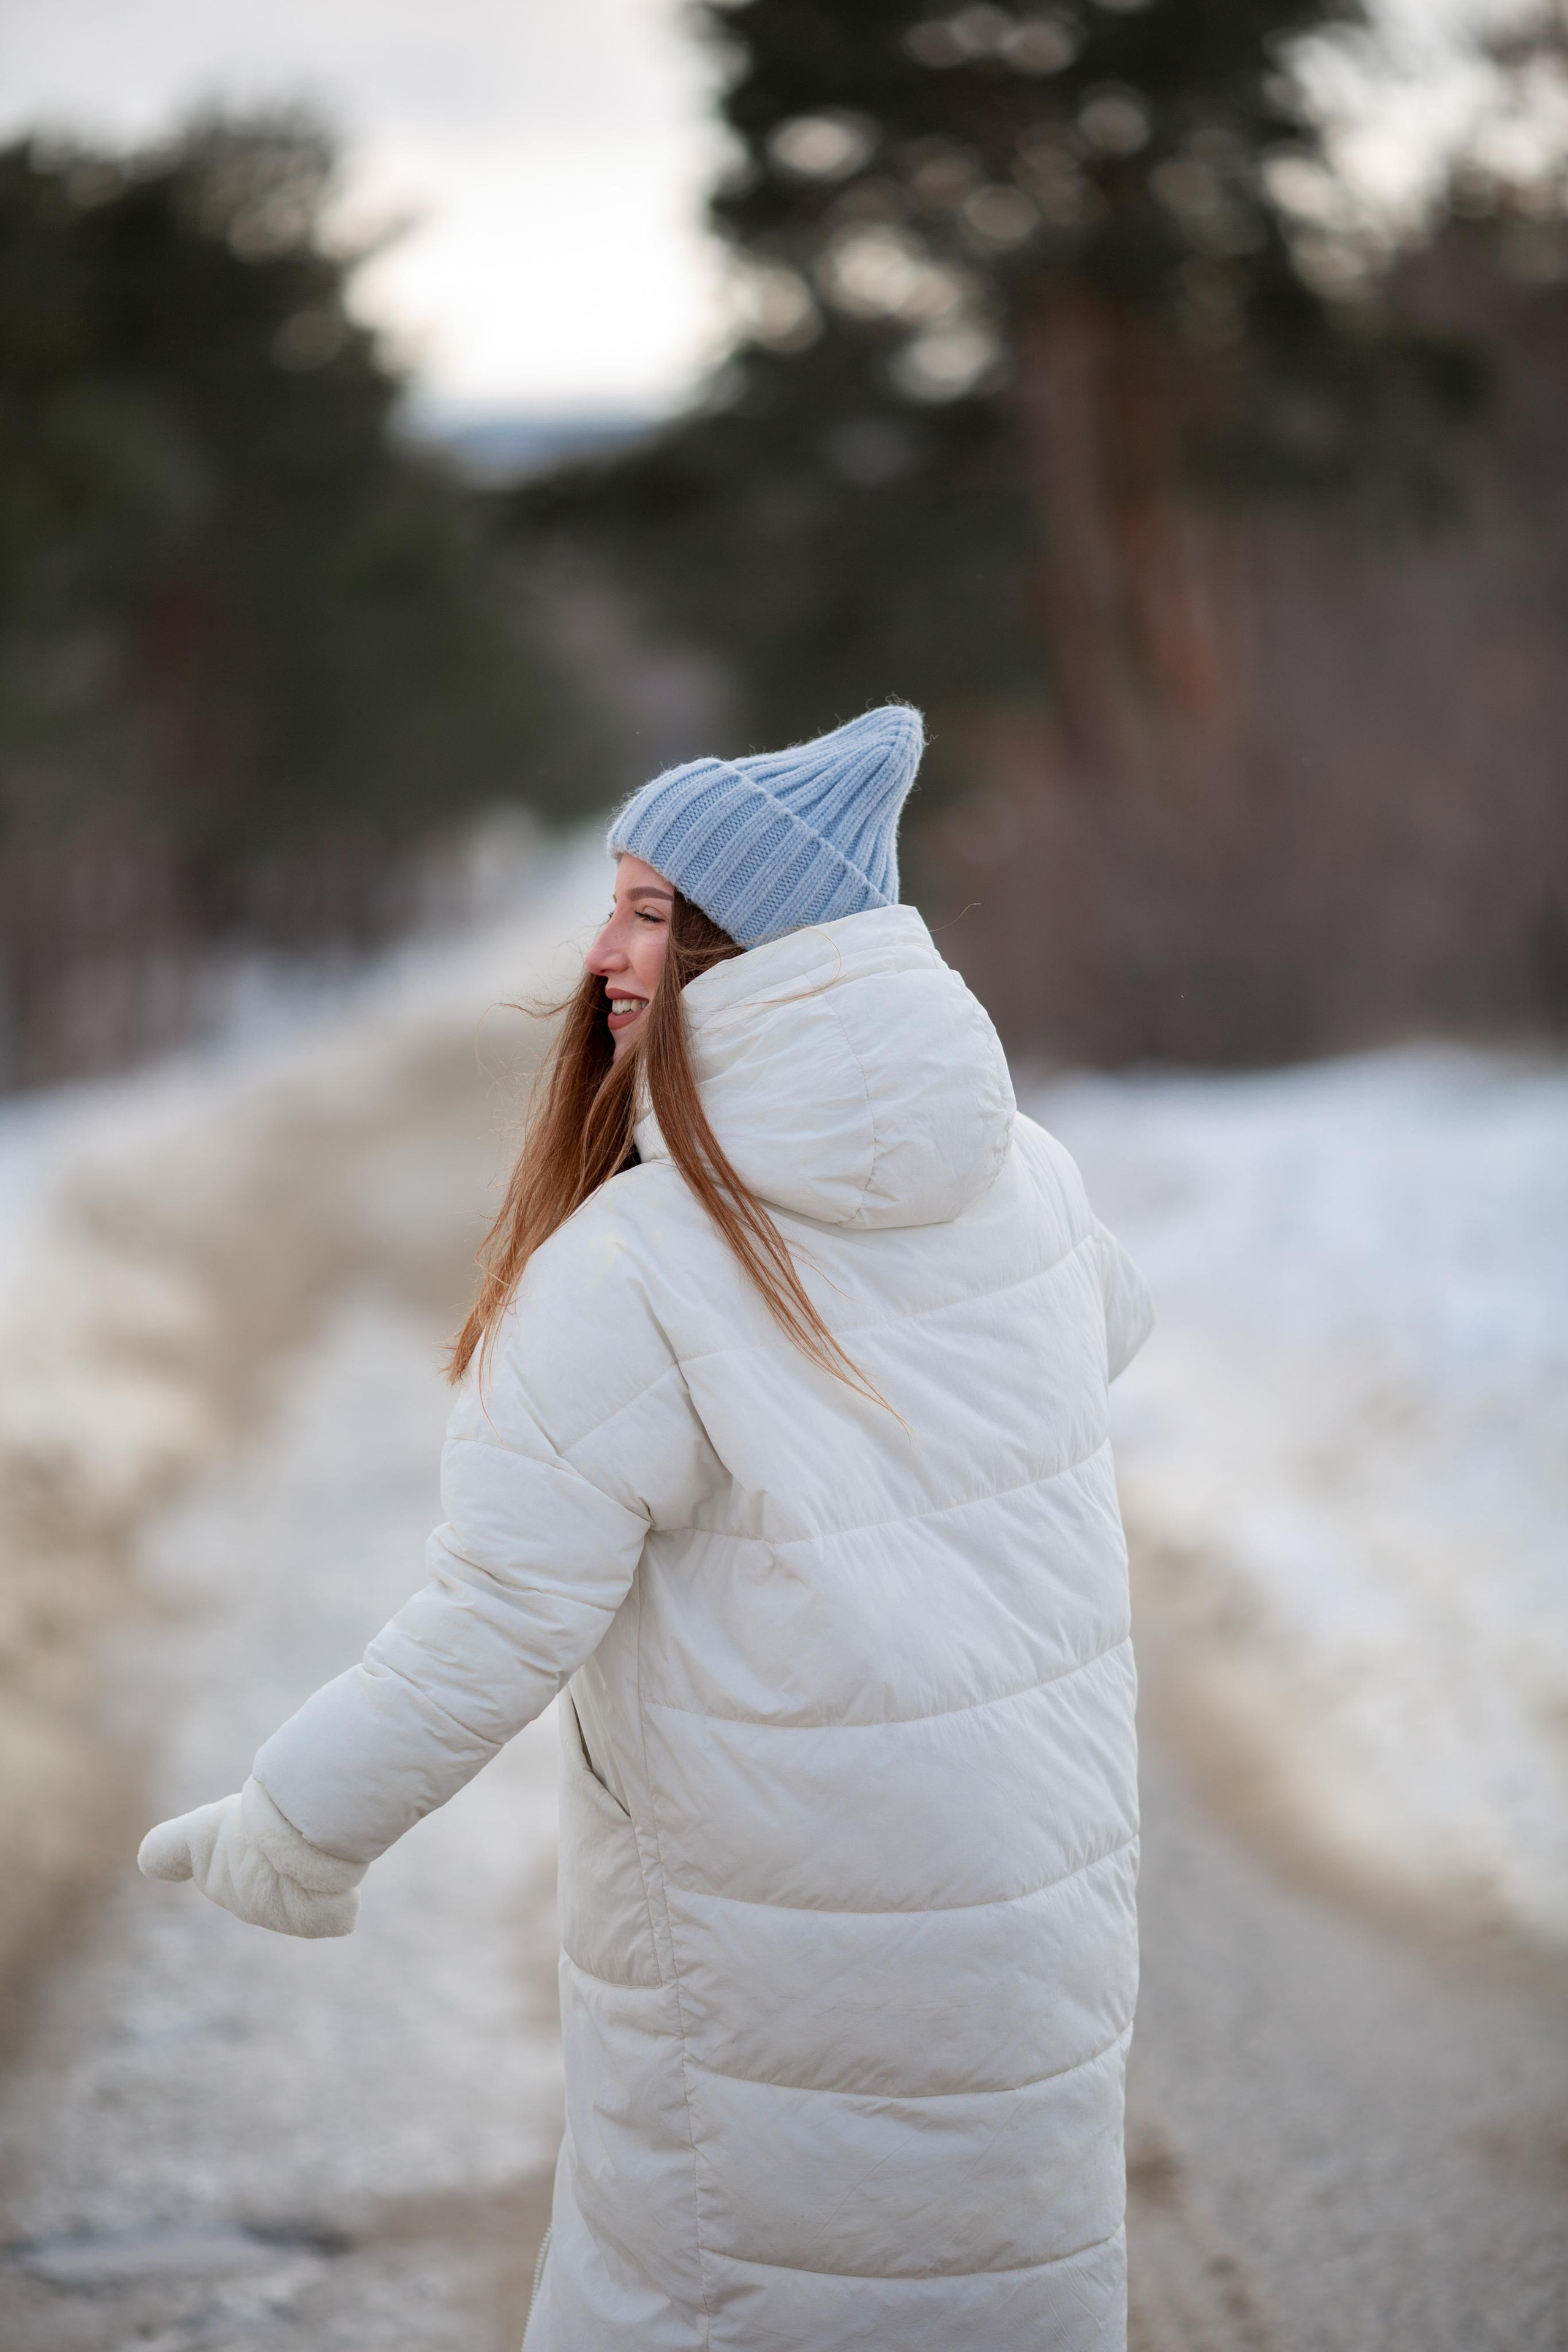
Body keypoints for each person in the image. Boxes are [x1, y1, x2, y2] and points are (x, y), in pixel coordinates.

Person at [139, 704, 1153, 2351]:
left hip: (780, 1946)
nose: (604, 949)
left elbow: (491, 1624)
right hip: (1032, 1912)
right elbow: (1103, 1335)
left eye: (652, 910)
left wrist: (295, 1828)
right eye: (615, 899)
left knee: (734, 2301)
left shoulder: (643, 1263)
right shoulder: (1022, 1177)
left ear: (755, 948)